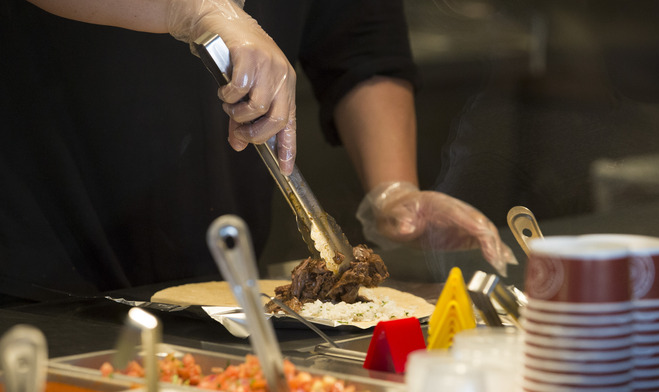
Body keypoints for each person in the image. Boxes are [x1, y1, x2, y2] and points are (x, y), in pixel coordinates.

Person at [0, 0, 516, 303]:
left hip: (219, 281)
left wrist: (393, 189)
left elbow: (359, 38)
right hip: (41, 251)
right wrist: (191, 6)